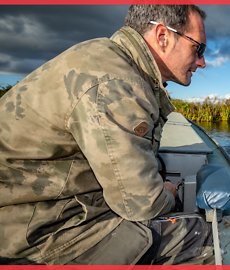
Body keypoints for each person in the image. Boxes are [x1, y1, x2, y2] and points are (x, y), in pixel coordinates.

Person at [0, 5, 213, 265]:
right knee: (201, 237)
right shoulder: (117, 84)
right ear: (162, 37)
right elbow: (142, 204)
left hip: (41, 209)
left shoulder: (109, 60)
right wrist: (168, 191)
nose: (202, 62)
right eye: (198, 48)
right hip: (38, 231)